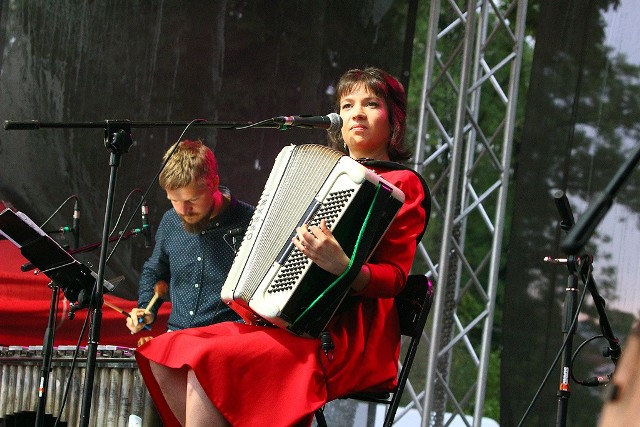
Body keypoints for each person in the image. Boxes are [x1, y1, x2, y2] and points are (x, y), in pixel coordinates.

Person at [134, 67, 429, 426]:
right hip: (287, 323)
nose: (357, 113)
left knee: (207, 360)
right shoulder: (327, 170)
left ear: (392, 117)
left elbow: (395, 279)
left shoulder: (402, 184)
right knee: (168, 352)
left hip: (344, 336)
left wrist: (344, 266)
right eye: (348, 104)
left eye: (371, 103)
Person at [126, 139, 255, 337]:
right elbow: (155, 270)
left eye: (192, 200)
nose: (182, 211)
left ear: (214, 184)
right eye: (174, 200)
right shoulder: (170, 220)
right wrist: (146, 309)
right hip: (178, 336)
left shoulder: (252, 223)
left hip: (228, 339)